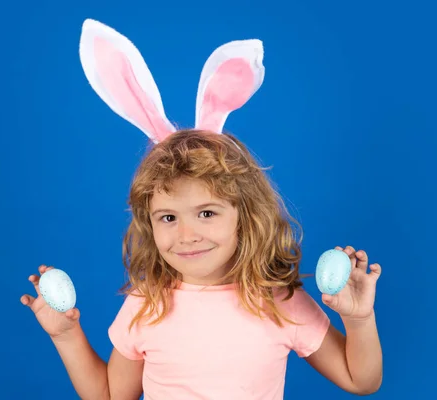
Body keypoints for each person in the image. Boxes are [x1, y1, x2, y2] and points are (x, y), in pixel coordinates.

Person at [21, 19, 383, 400]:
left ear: (246, 216)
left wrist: (359, 320)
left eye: (206, 213)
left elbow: (361, 380)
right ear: (149, 223)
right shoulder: (148, 302)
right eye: (168, 217)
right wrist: (65, 333)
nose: (186, 234)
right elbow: (110, 396)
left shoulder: (279, 301)